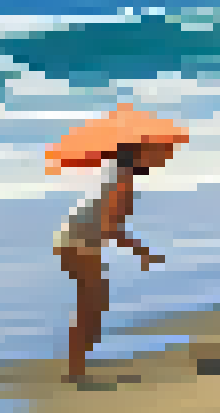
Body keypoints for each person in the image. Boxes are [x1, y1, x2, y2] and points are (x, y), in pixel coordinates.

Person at [55, 139, 174, 385]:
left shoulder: (119, 180)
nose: (154, 160)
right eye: (147, 156)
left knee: (93, 303)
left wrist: (141, 251)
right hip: (78, 242)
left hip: (76, 240)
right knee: (91, 304)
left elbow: (108, 226)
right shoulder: (122, 184)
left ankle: (77, 366)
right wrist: (142, 252)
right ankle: (75, 369)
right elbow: (111, 227)